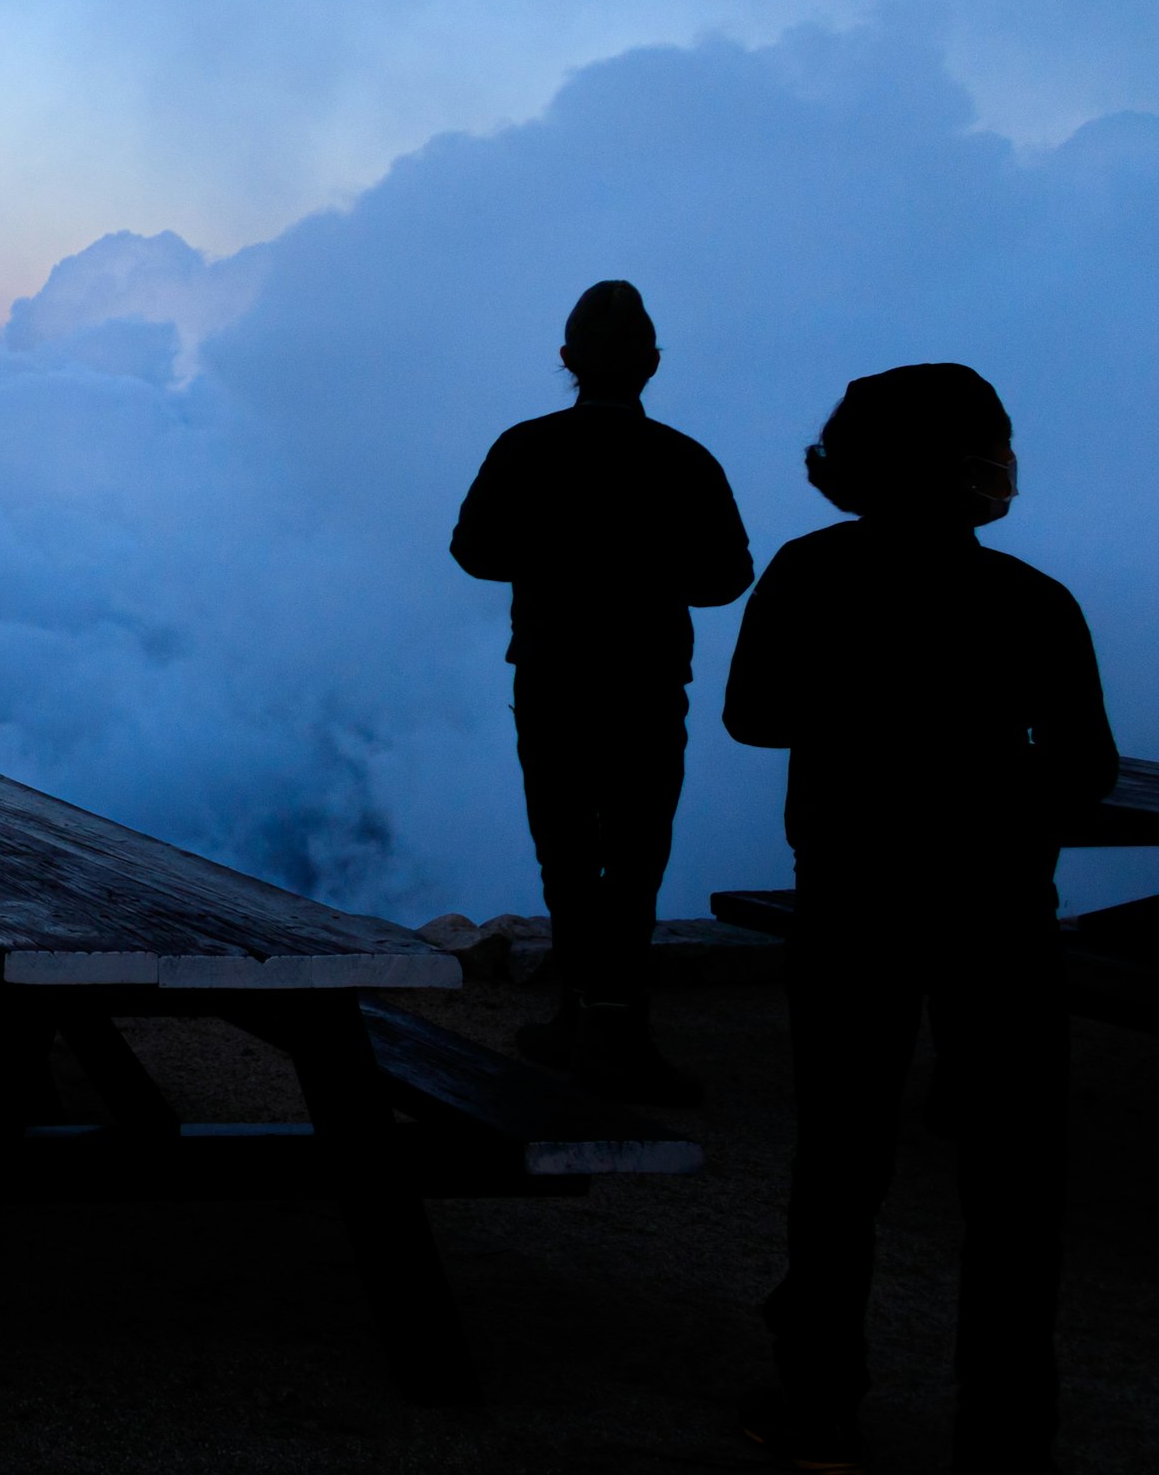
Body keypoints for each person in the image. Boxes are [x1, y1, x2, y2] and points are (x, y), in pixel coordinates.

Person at [724, 364, 1114, 1475]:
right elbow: (1082, 766)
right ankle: (1004, 1430)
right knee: (1015, 1178)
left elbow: (754, 716)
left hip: (852, 894)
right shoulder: (1034, 601)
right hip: (1000, 908)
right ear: (969, 468)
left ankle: (819, 1403)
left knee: (841, 1155)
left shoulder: (810, 572)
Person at [450, 280, 754, 1102]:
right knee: (635, 853)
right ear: (652, 365)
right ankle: (622, 1025)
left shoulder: (525, 447)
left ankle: (578, 1015)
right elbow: (727, 577)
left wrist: (554, 559)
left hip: (551, 672)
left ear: (566, 362)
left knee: (568, 849)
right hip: (649, 679)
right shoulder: (685, 459)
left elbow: (474, 552)